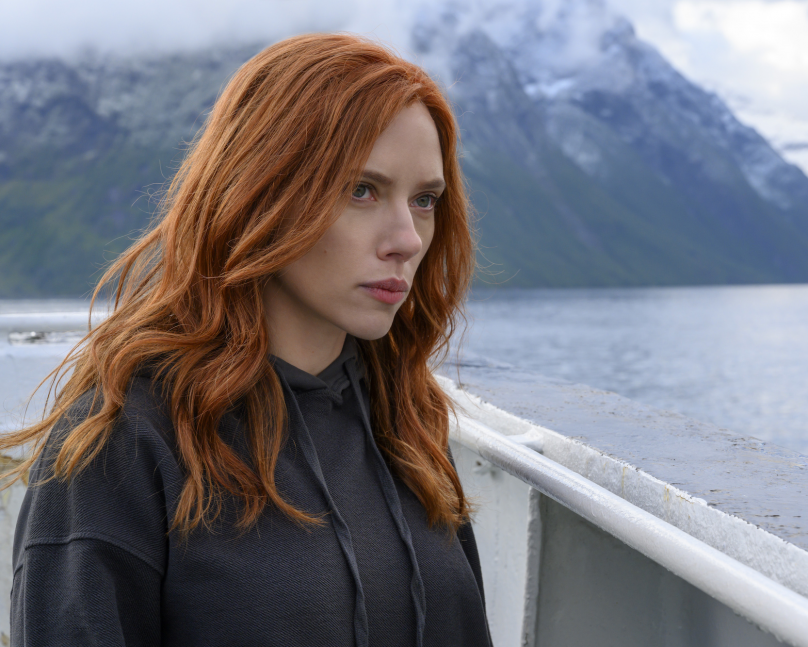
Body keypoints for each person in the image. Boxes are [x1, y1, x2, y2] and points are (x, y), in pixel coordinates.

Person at [3, 33, 492, 647]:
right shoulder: (125, 442)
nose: (408, 239)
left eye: (424, 200)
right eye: (361, 190)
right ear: (262, 191)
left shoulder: (405, 417)